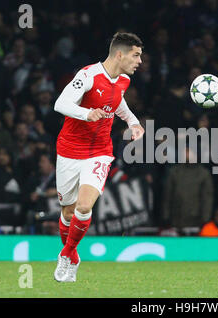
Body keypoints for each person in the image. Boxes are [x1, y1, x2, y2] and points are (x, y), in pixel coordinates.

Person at [53, 32, 145, 282]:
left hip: (99, 152)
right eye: (136, 55)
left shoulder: (124, 80)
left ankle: (66, 254)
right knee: (68, 212)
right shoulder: (88, 76)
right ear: (119, 54)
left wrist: (132, 121)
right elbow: (60, 103)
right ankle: (72, 254)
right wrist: (86, 113)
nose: (139, 61)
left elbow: (117, 102)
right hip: (69, 150)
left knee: (84, 206)